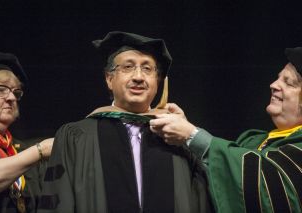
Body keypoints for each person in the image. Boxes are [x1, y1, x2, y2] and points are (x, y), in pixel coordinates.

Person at [38, 31, 212, 213]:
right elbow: (58, 203)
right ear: (109, 79)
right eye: (128, 67)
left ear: (158, 81)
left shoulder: (178, 138)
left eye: (147, 69)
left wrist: (191, 135)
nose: (138, 76)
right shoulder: (75, 136)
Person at [149, 47, 302, 212]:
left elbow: (265, 186)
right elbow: (222, 183)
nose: (273, 85)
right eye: (278, 78)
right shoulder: (253, 141)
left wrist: (192, 135)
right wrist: (184, 134)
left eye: (288, 82)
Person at [0, 50, 53, 213]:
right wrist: (40, 151)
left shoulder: (18, 149)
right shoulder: (34, 153)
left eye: (16, 92)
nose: (12, 98)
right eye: (1, 89)